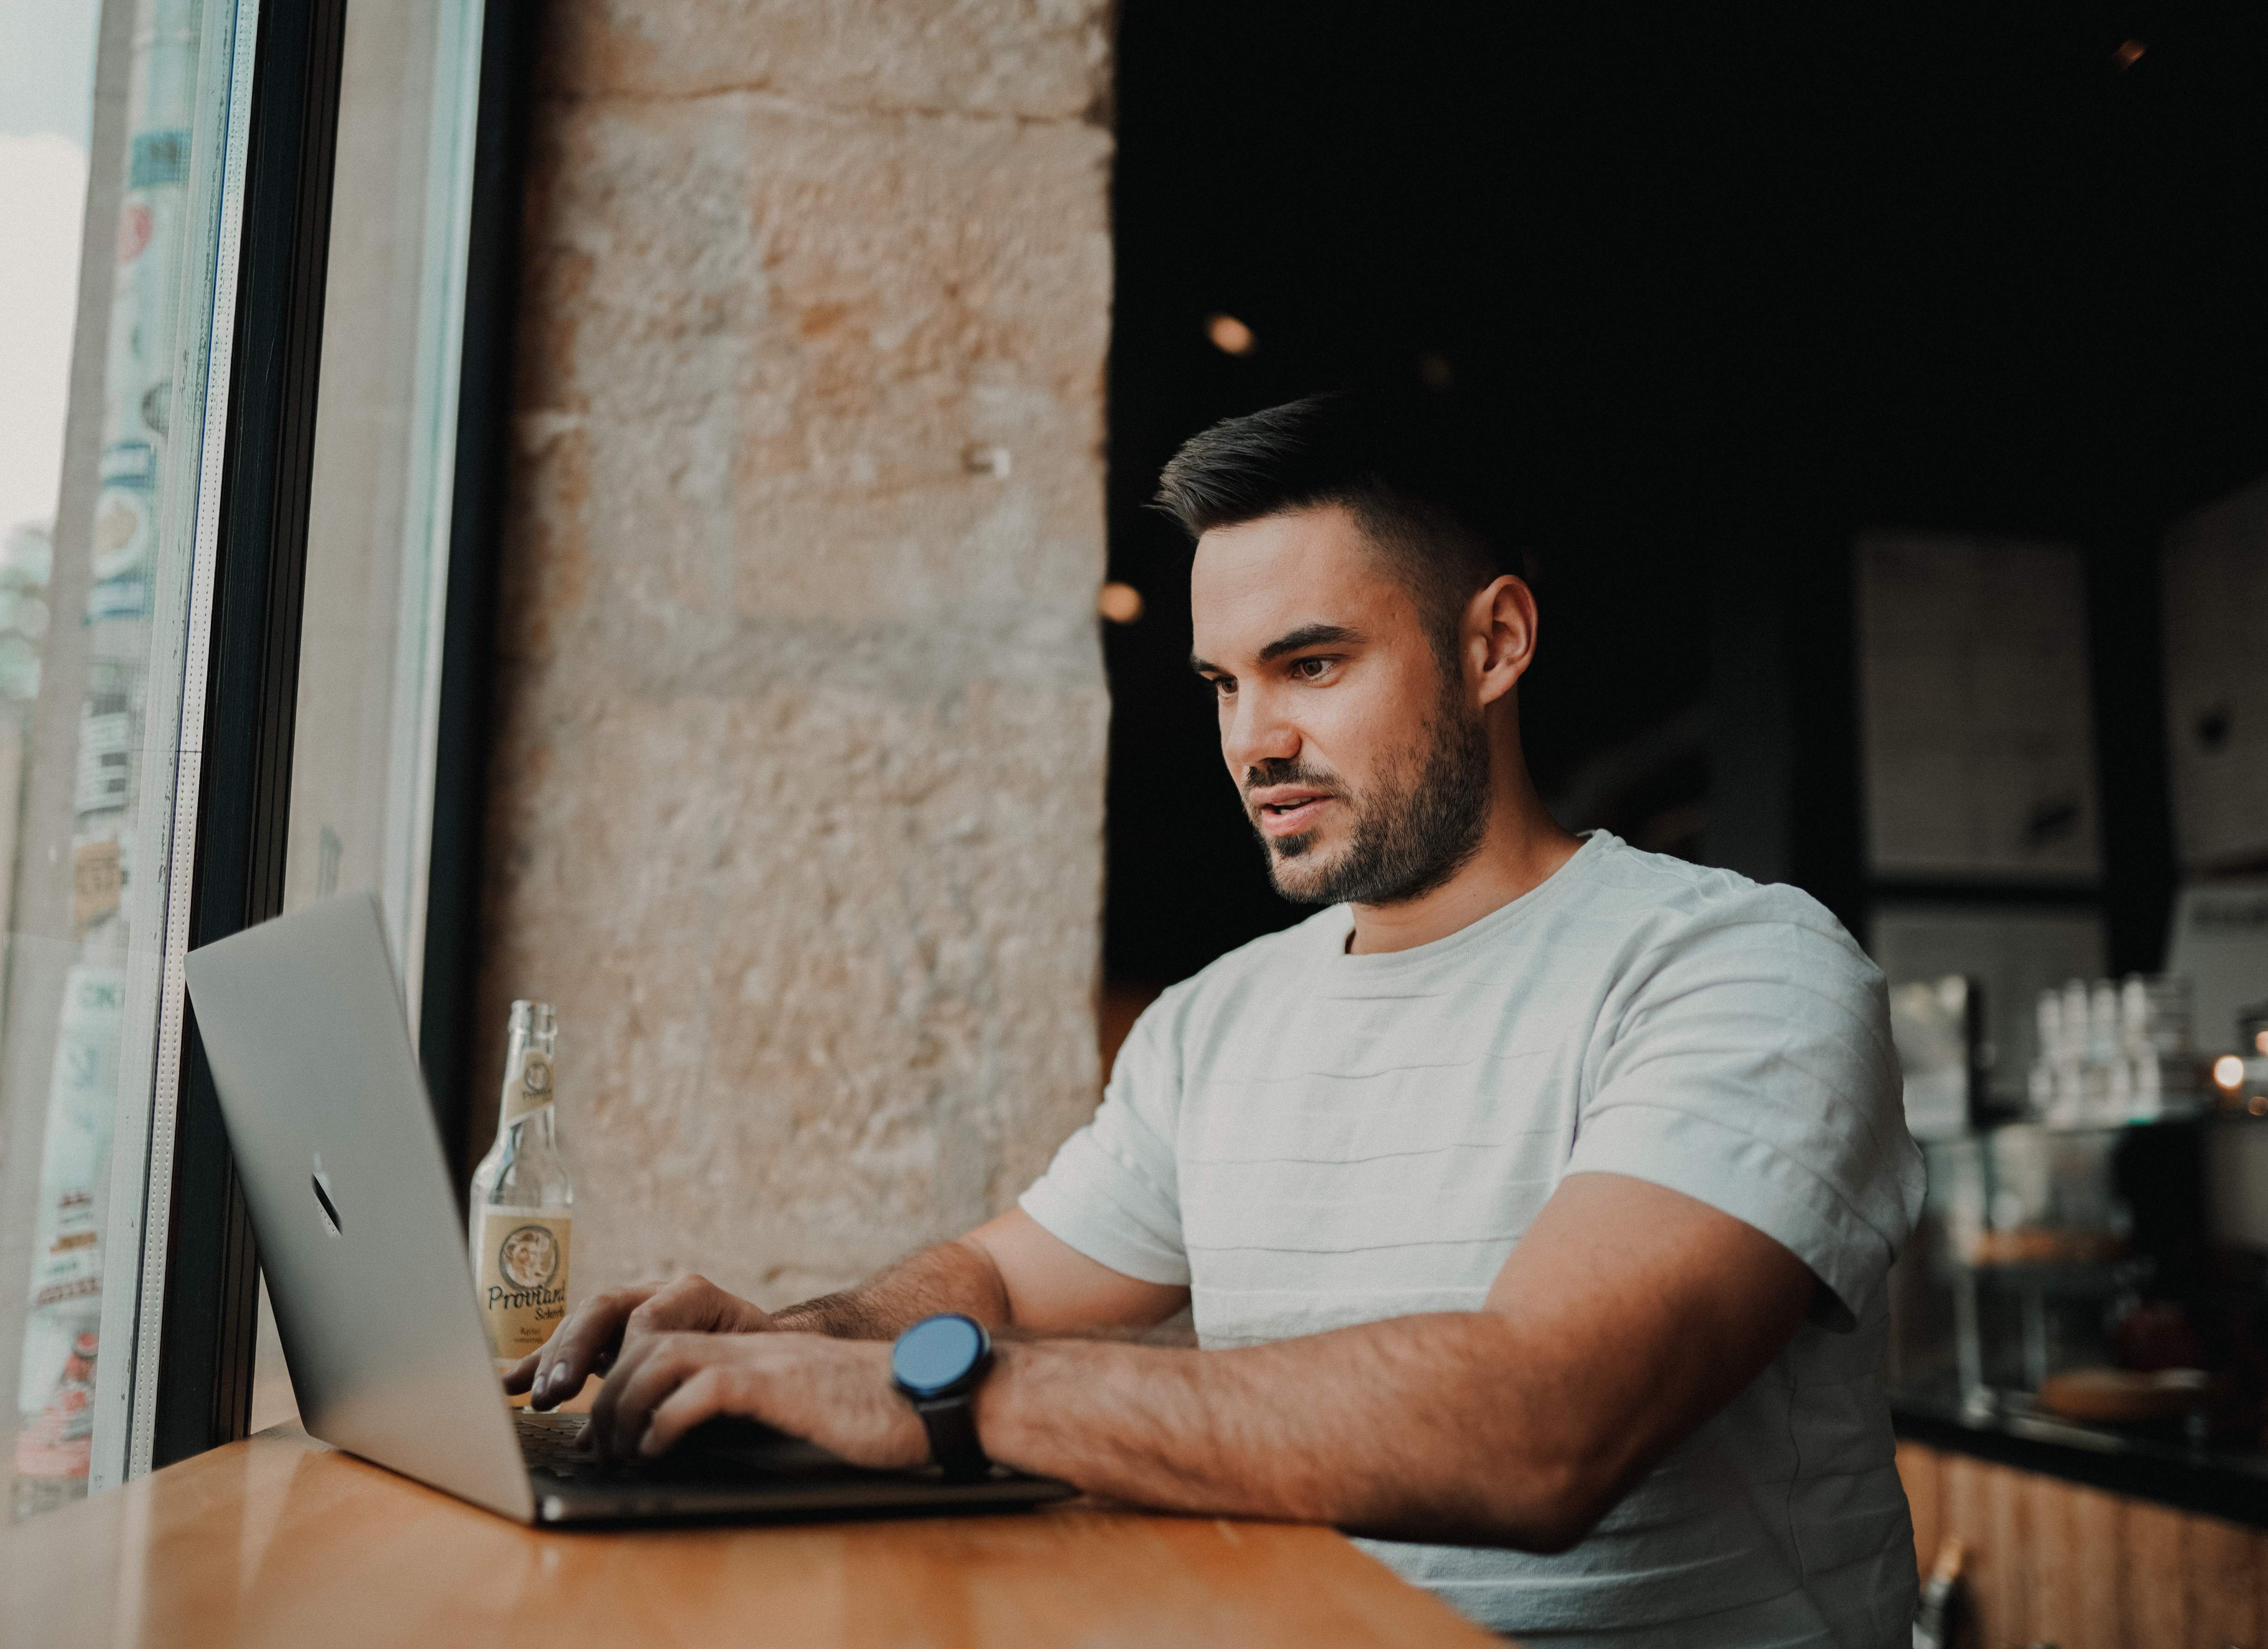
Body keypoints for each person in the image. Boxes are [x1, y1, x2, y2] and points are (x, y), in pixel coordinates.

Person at [509, 391, 1926, 1647]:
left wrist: (942, 1399)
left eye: (1312, 665)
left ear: (1494, 642)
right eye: (1224, 685)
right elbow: (993, 1284)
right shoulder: (1216, 1024)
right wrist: (789, 1348)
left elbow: (1541, 1426)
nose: (1254, 741)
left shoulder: (1738, 967)